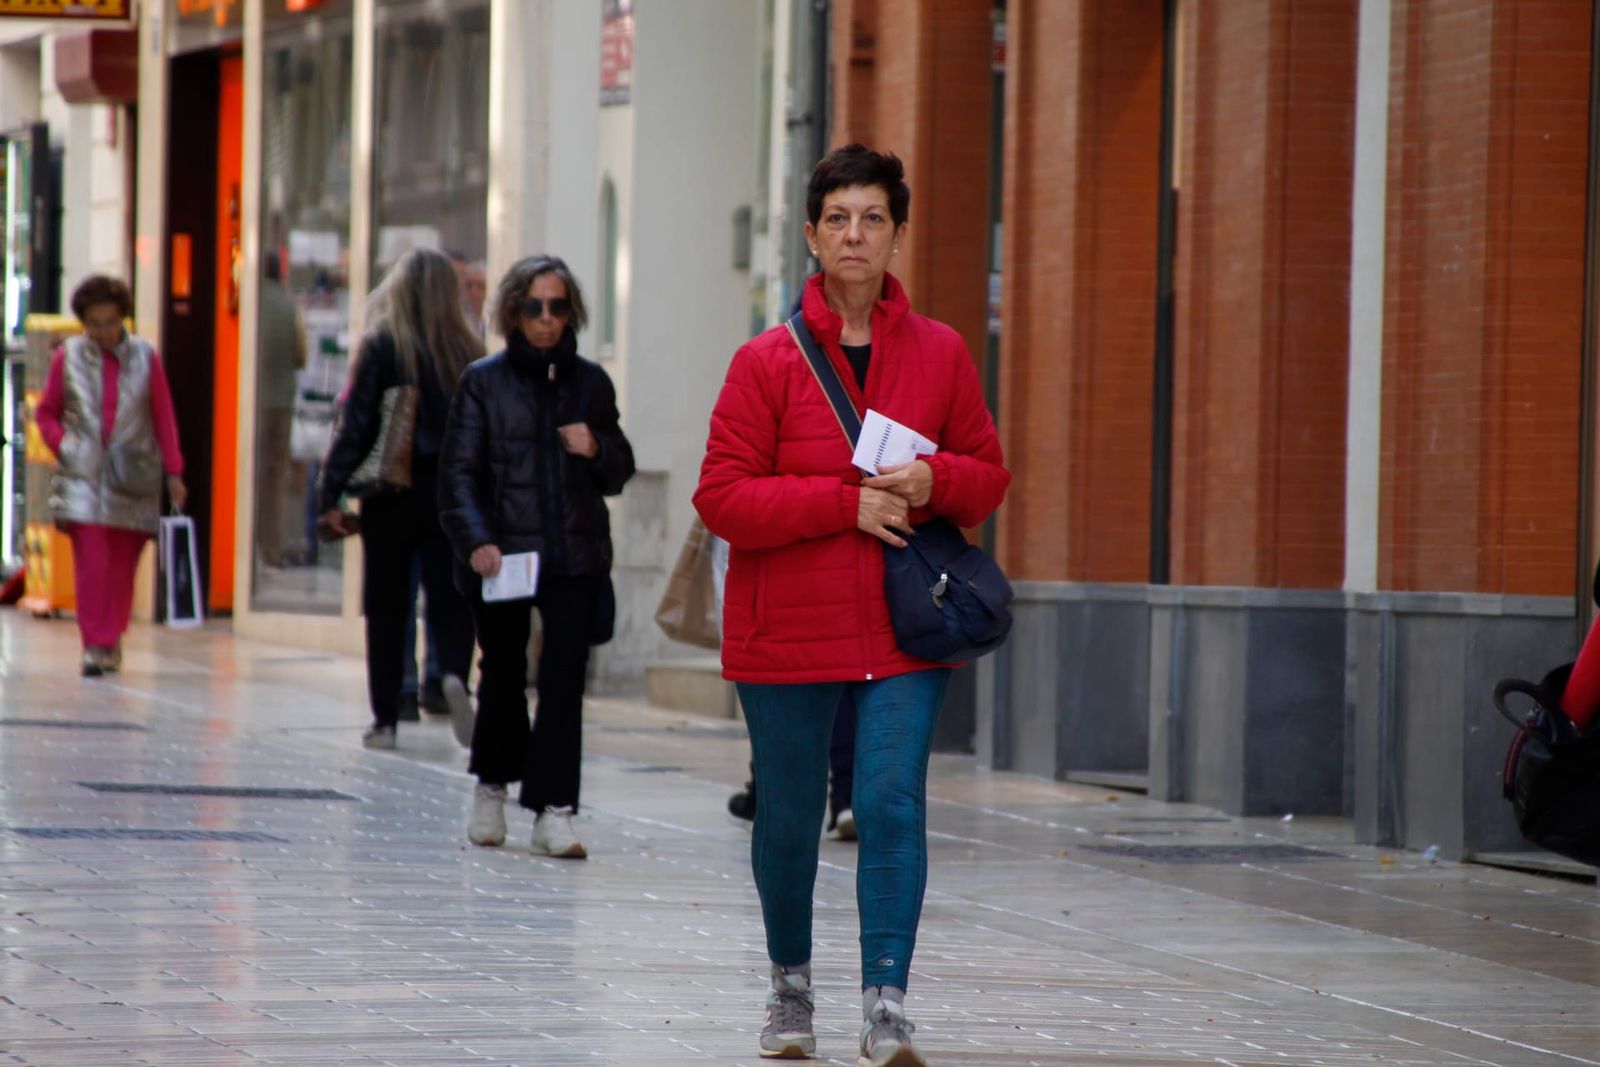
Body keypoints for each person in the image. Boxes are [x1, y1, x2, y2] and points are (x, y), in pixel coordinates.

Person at [694, 144, 1010, 1066]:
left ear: (898, 234)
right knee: (791, 813)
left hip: (907, 625)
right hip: (788, 629)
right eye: (837, 219)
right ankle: (790, 988)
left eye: (873, 218)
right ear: (811, 234)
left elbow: (987, 476)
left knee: (888, 800)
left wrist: (934, 479)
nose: (855, 235)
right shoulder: (765, 362)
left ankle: (887, 1004)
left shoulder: (942, 352)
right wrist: (845, 503)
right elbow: (722, 497)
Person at [439, 254, 634, 860]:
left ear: (571, 312)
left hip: (574, 556)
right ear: (513, 312)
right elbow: (457, 475)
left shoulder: (591, 383)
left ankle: (555, 811)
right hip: (505, 558)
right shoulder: (483, 381)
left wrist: (596, 445)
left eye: (558, 307)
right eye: (534, 307)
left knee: (564, 681)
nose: (547, 318)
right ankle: (491, 789)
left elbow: (619, 468)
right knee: (502, 674)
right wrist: (478, 541)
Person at [317, 247, 480, 749]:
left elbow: (357, 426)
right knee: (452, 597)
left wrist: (330, 493)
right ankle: (452, 675)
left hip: (390, 495)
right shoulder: (468, 350)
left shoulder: (383, 345)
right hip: (450, 495)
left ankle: (386, 718)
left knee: (387, 606)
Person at [35, 275, 188, 677]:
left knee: (121, 568)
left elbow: (163, 417)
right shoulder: (68, 357)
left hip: (132, 477)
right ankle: (94, 645)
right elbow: (46, 412)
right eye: (93, 324)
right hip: (83, 478)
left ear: (123, 318)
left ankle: (112, 636)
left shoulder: (146, 357)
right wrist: (65, 446)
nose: (102, 332)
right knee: (92, 566)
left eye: (109, 322)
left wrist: (174, 471)